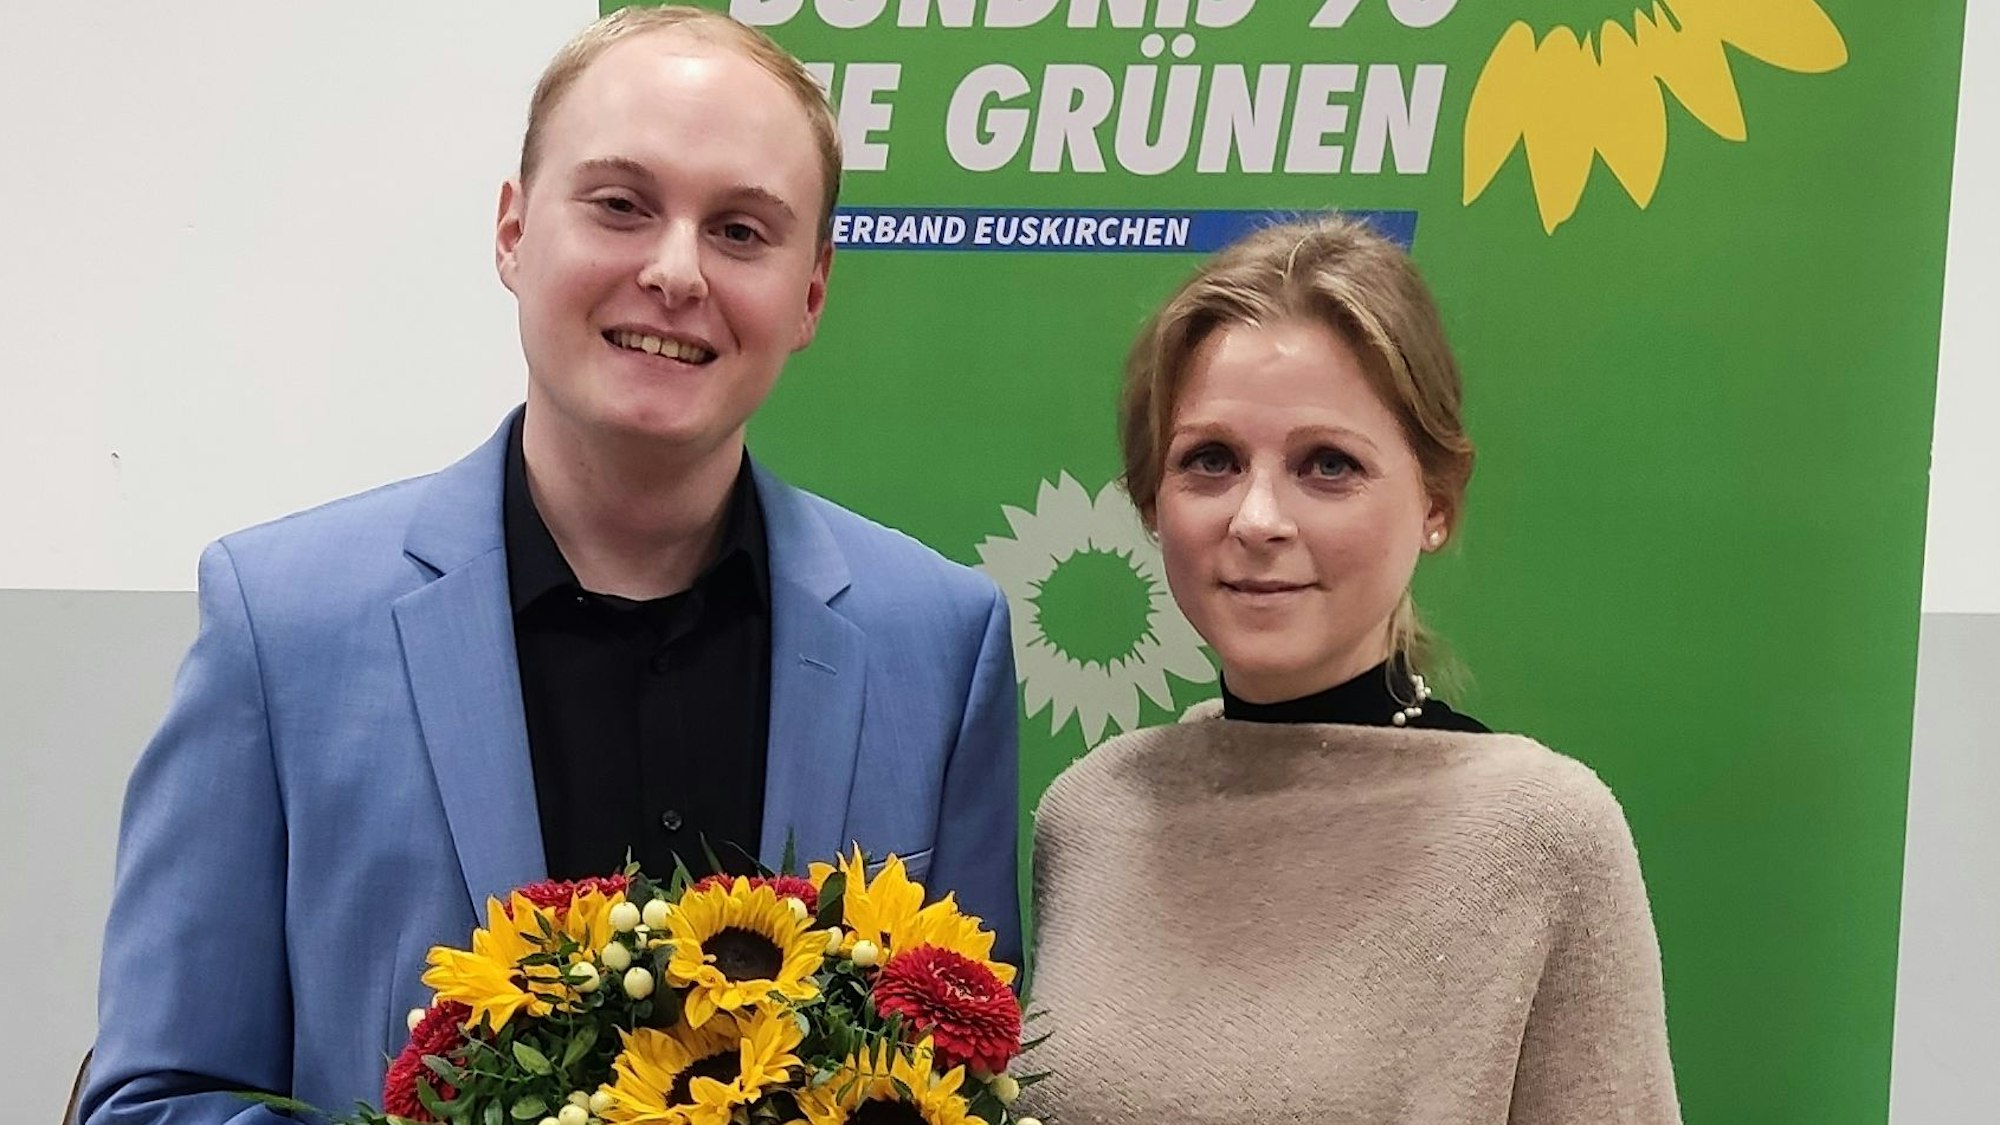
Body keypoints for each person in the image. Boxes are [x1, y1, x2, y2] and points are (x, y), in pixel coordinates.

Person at [78, 8, 1020, 1125]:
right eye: (621, 205)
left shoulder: (940, 641)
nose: (675, 271)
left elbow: (971, 1084)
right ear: (514, 232)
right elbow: (151, 1098)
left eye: (740, 231)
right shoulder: (281, 626)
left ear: (810, 292)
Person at [1020, 215, 1679, 1122]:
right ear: (1151, 499)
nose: (1257, 518)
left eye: (1327, 465)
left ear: (1436, 503)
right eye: (1210, 460)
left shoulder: (1541, 834)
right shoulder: (1092, 812)